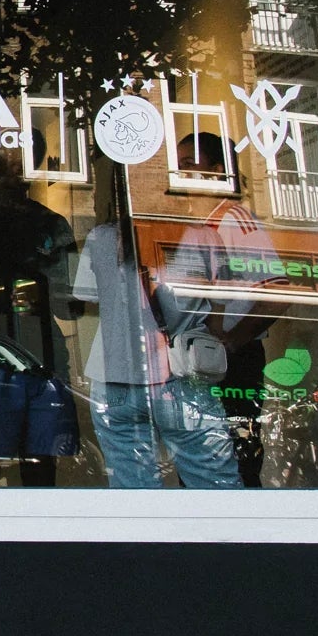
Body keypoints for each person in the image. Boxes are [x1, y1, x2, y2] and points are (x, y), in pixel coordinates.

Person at [68, 179, 241, 490]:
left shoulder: (100, 237)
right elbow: (221, 302)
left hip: (114, 379)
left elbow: (88, 300)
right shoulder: (204, 237)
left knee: (134, 490)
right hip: (182, 374)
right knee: (215, 488)